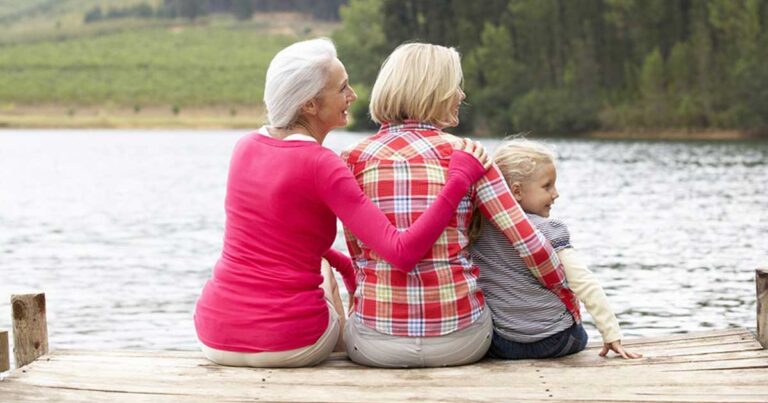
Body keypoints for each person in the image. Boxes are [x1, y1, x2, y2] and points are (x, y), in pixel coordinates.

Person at [193, 38, 490, 368]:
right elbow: (402, 252)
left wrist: (350, 273)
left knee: (309, 256)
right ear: (310, 105)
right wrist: (458, 180)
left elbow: (283, 241)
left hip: (213, 334)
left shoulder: (244, 147)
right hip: (288, 342)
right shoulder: (322, 164)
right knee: (321, 268)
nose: (353, 96)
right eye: (343, 88)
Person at [341, 43, 575, 368]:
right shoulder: (469, 154)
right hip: (462, 341)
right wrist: (564, 293)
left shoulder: (351, 159)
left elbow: (357, 254)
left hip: (375, 345)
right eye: (455, 86)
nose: (461, 95)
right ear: (433, 91)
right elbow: (531, 246)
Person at [470, 138, 642, 360]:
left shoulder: (477, 229)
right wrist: (611, 334)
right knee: (578, 332)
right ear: (516, 191)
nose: (556, 193)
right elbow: (584, 282)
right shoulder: (547, 230)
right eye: (547, 186)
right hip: (555, 341)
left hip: (504, 344)